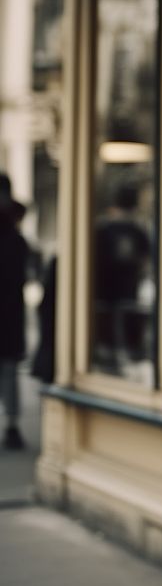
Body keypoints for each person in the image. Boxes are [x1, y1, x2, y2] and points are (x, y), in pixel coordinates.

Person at [0, 172, 30, 450]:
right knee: (8, 371)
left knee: (8, 370)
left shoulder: (15, 240)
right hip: (9, 314)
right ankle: (11, 424)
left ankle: (11, 424)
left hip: (8, 314)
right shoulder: (16, 240)